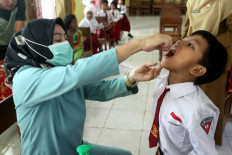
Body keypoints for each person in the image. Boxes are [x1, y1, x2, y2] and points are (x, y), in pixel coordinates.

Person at [4, 17, 172, 155]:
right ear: (37, 44)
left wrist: (130, 78)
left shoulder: (59, 69)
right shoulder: (24, 78)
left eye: (65, 38)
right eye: (57, 39)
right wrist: (139, 45)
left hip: (75, 148)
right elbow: (77, 73)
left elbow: (99, 89)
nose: (65, 44)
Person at [149, 30, 228, 155]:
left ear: (197, 70)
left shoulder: (198, 109)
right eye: (184, 39)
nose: (179, 42)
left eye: (191, 45)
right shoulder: (163, 83)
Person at [182, 0, 232, 146]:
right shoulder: (192, 1)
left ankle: (209, 141)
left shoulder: (226, 2)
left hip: (215, 60)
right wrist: (181, 45)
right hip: (192, 59)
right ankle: (190, 136)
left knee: (209, 105)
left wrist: (206, 43)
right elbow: (187, 28)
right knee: (190, 102)